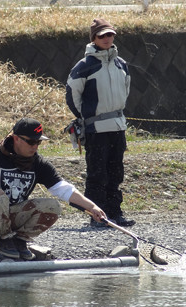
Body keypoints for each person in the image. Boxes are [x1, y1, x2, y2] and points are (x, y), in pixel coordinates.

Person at [0, 117, 107, 260]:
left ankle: (18, 240)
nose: (35, 147)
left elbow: (63, 189)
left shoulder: (38, 162)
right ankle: (1, 239)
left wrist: (92, 207)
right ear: (16, 138)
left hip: (10, 215)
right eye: (31, 142)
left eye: (38, 143)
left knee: (52, 206)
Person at [65, 18, 135, 227]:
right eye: (102, 35)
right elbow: (72, 95)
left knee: (116, 172)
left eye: (110, 34)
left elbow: (126, 90)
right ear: (94, 38)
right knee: (97, 173)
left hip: (118, 126)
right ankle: (98, 217)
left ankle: (115, 213)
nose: (107, 38)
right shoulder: (84, 66)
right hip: (95, 128)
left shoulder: (121, 63)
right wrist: (86, 117)